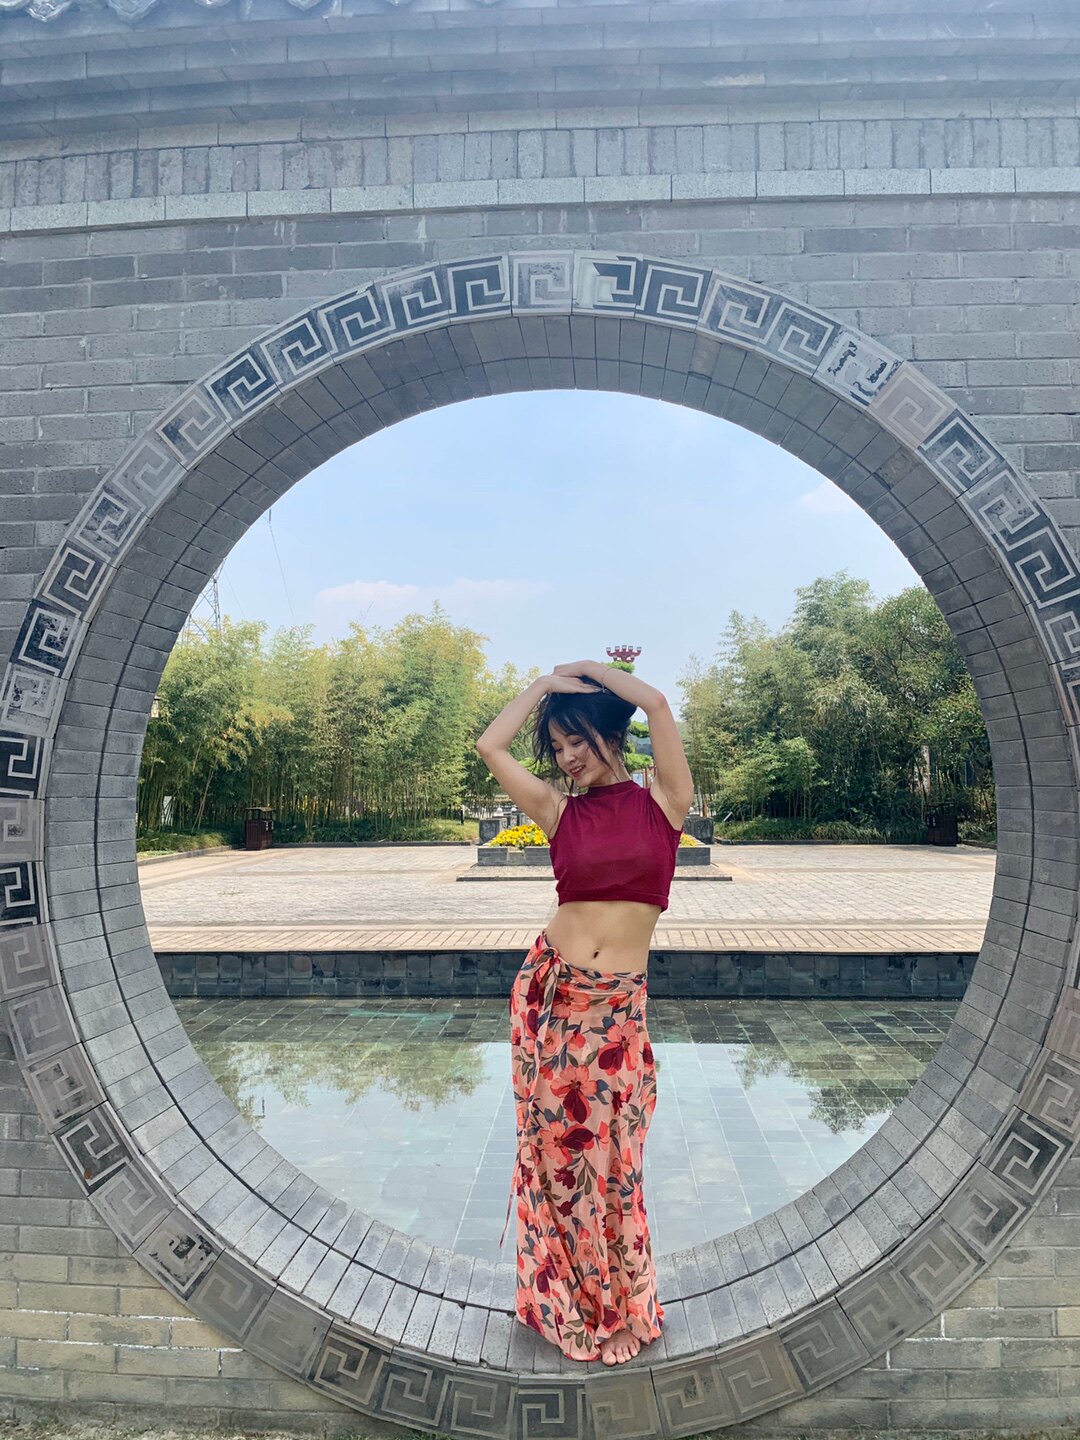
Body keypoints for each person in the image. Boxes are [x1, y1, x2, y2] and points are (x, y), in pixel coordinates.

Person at [475, 659, 694, 1367]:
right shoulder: (557, 811)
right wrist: (542, 687)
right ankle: (567, 1301)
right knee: (557, 1160)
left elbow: (656, 703)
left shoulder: (665, 803)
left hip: (616, 1009)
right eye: (558, 746)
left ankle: (619, 1307)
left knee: (613, 1162)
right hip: (553, 1000)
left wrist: (592, 673)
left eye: (578, 740)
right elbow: (490, 746)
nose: (567, 757)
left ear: (611, 737)